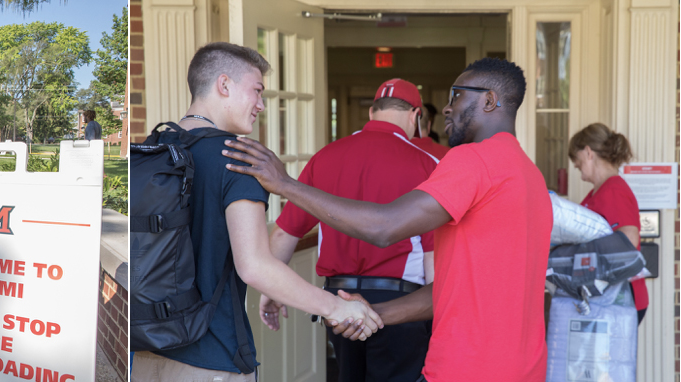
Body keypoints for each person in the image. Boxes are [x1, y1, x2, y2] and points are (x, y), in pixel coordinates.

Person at [222, 58, 551, 381]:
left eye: (457, 94)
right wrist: (374, 313)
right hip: (525, 367)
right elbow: (452, 289)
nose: (448, 107)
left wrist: (285, 184)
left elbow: (384, 228)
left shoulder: (473, 161)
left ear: (489, 100)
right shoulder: (530, 175)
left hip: (467, 367)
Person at [131, 42, 380, 382]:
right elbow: (255, 266)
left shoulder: (153, 148)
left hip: (146, 351)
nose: (261, 105)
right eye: (257, 91)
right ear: (224, 85)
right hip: (213, 357)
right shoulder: (239, 158)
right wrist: (338, 307)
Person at [266, 78, 438, 382]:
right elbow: (433, 251)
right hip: (402, 303)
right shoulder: (427, 163)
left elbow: (284, 233)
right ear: (415, 115)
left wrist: (270, 288)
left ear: (372, 113)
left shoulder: (326, 156)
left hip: (339, 300)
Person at [568, 123, 648, 324]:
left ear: (588, 152)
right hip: (609, 296)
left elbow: (629, 239)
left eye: (575, 159)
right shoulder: (599, 190)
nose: (575, 164)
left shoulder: (614, 190)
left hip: (621, 297)